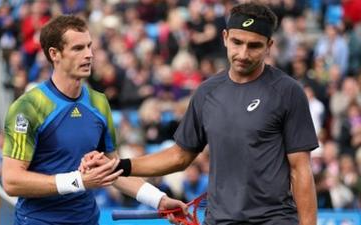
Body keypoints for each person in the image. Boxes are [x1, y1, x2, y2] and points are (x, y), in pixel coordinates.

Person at [83, 2, 318, 225]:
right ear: (225, 37)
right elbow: (179, 157)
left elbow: (301, 170)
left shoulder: (288, 92)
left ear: (269, 45)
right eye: (237, 42)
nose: (243, 53)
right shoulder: (207, 92)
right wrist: (118, 165)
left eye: (254, 45)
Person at [1, 15, 185, 225]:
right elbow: (12, 181)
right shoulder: (27, 107)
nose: (89, 55)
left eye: (89, 46)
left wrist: (158, 199)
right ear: (54, 54)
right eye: (78, 48)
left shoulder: (99, 102)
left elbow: (112, 169)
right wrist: (78, 181)